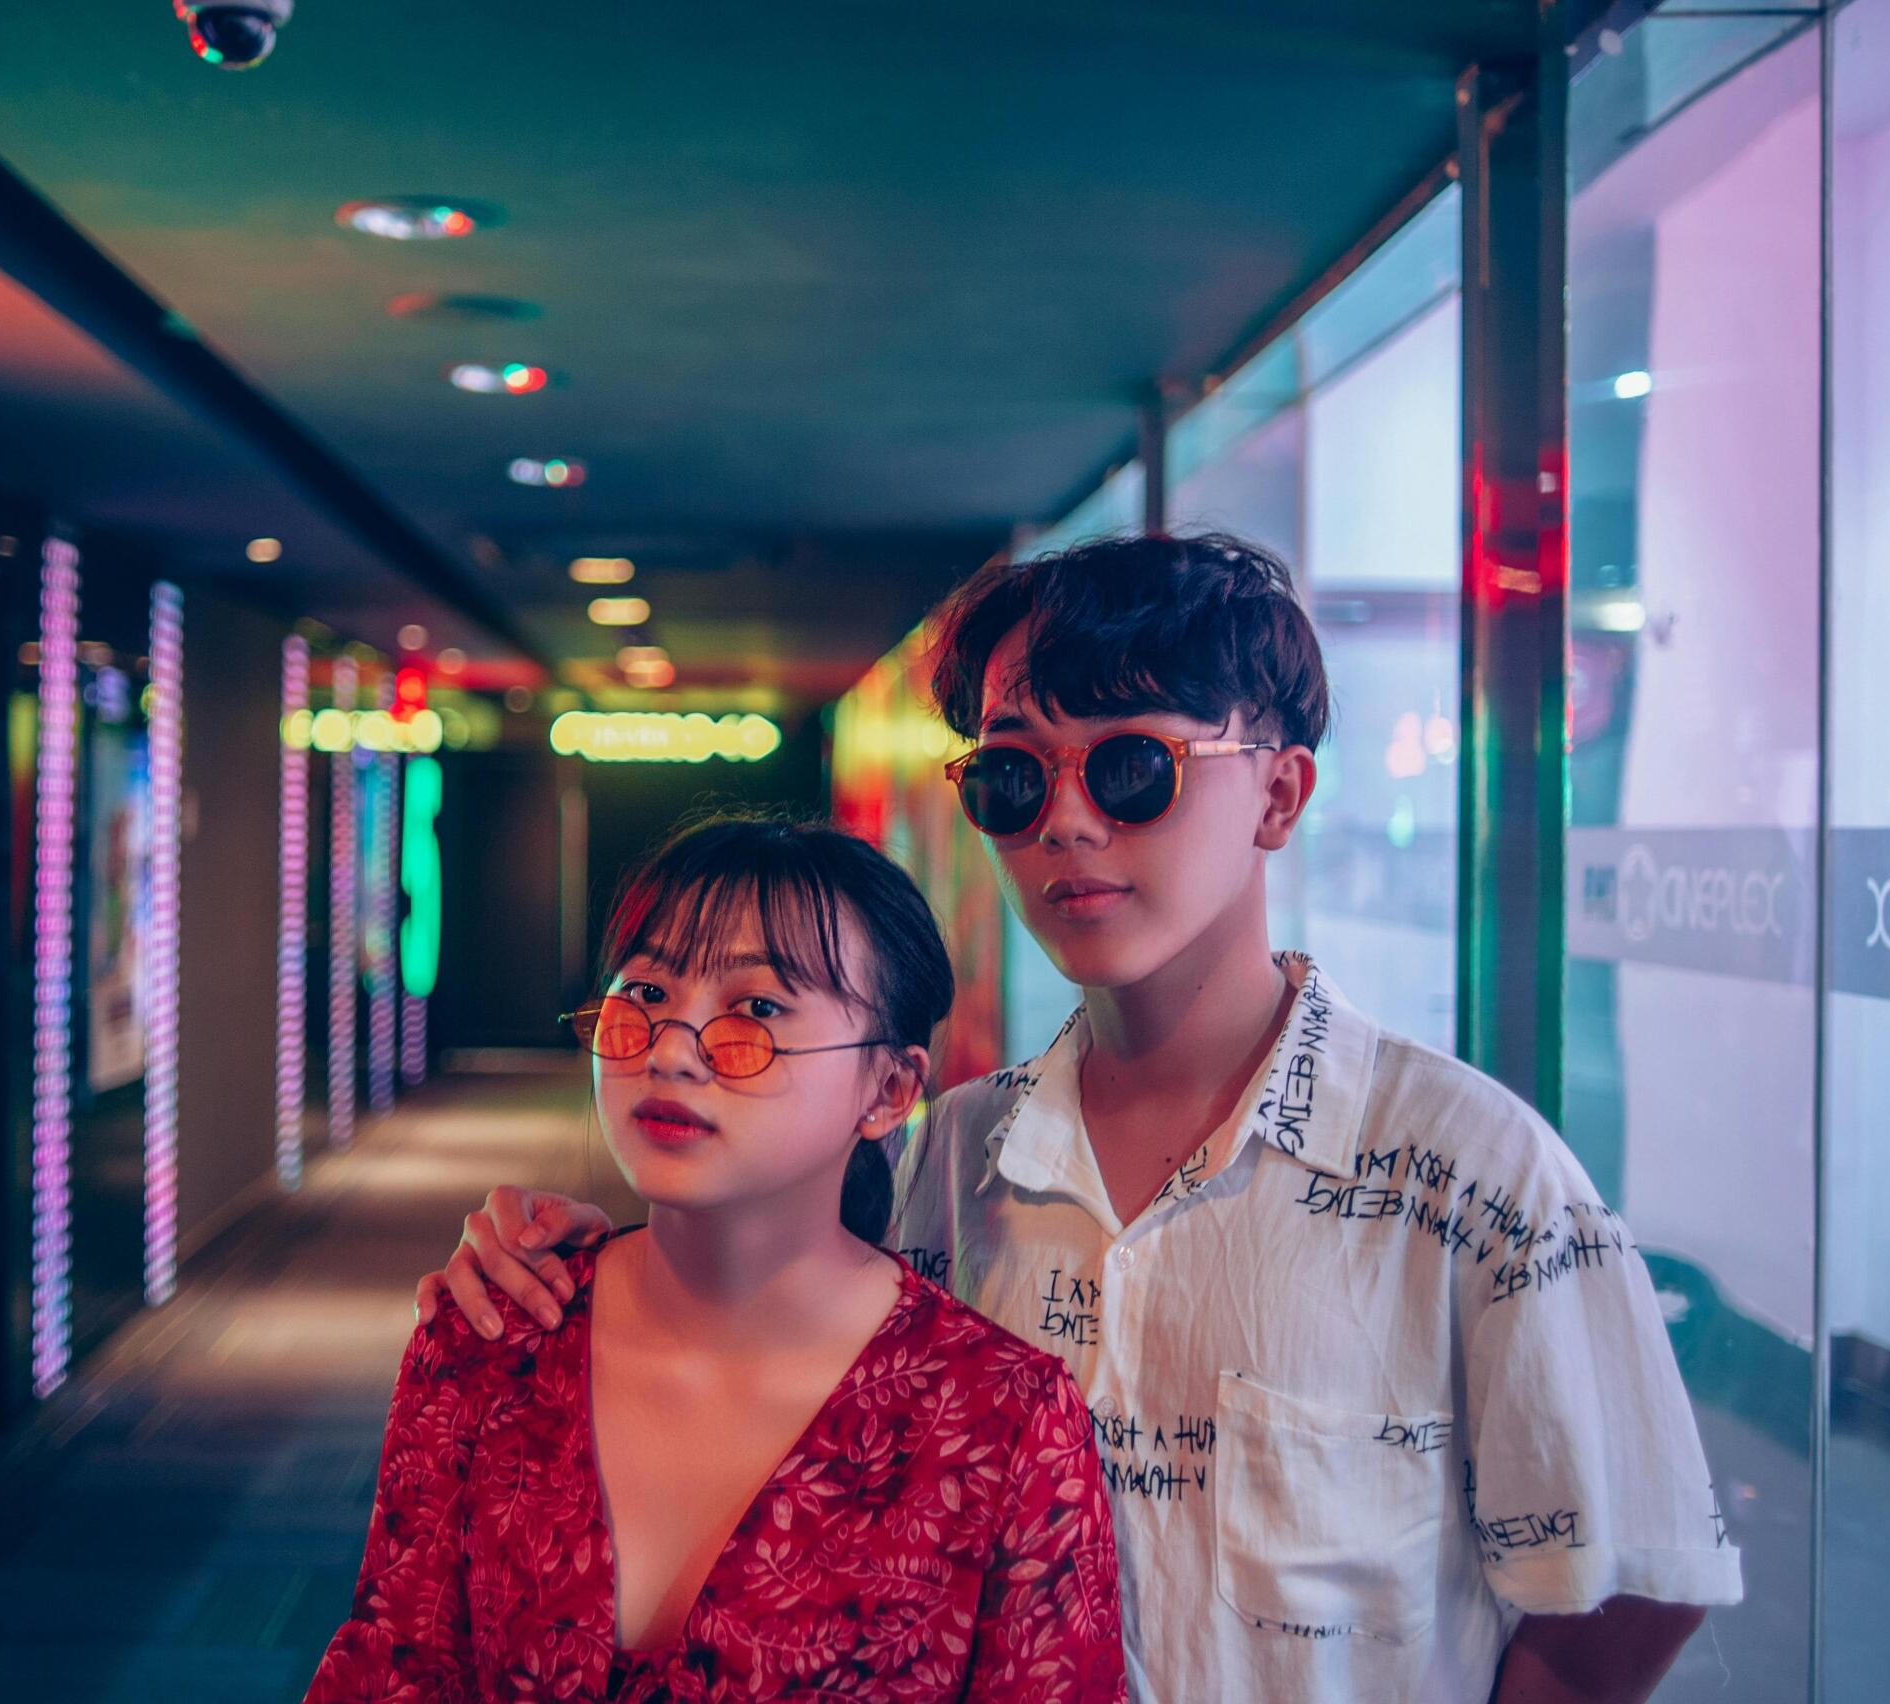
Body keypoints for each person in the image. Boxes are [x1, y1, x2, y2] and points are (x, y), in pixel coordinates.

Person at [423, 534, 1743, 1704]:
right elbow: (739, 1335)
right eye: (1010, 778)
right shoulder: (946, 1160)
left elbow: (1636, 1573)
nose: (1063, 823)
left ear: (1279, 795)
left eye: (1131, 770)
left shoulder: (1468, 1170)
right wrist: (564, 1265)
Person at [309, 815, 1125, 1702]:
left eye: (758, 1009)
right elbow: (393, 1668)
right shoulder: (494, 1336)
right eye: (648, 992)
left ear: (888, 1091)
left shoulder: (1000, 1424)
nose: (669, 1051)